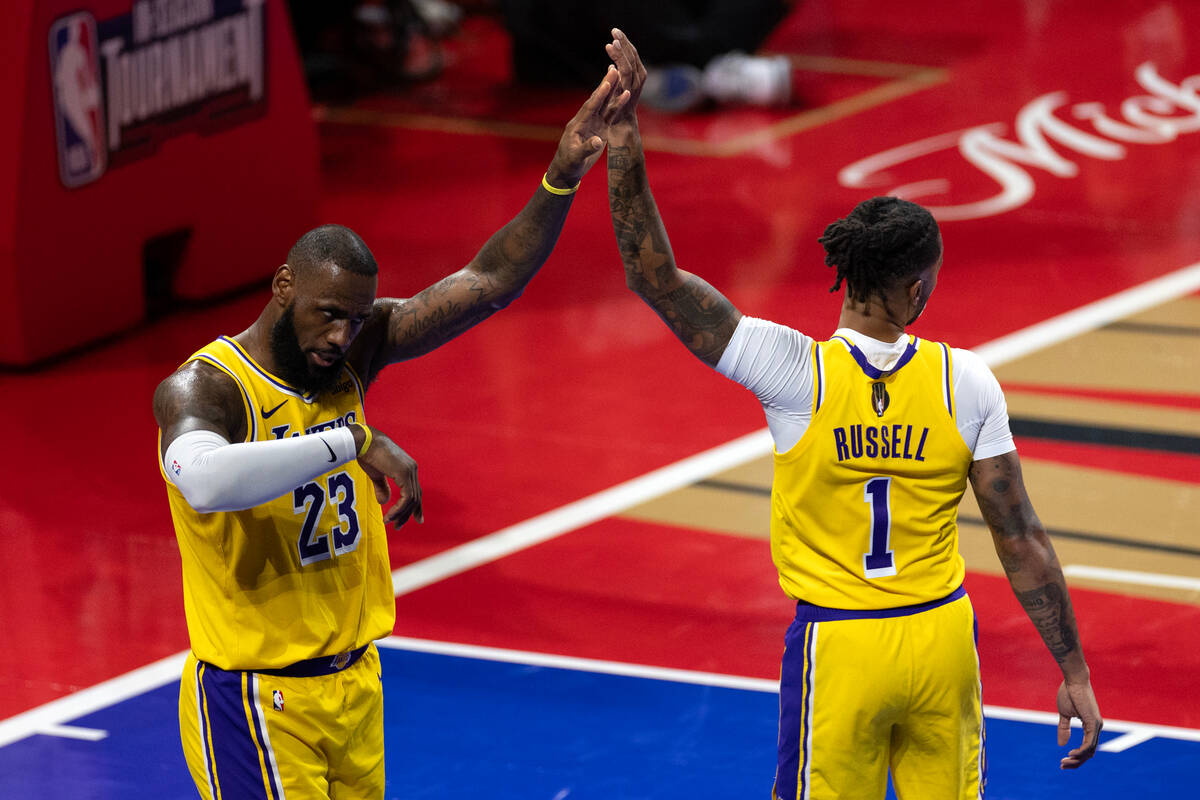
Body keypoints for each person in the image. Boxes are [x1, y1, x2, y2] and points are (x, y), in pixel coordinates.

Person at [602, 28, 1102, 800]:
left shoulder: (793, 372)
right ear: (914, 291)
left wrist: (626, 133)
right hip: (940, 641)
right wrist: (1072, 670)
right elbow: (1021, 536)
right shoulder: (964, 381)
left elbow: (653, 274)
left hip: (840, 648)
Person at [153, 69, 629, 799]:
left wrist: (561, 175)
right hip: (258, 699)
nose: (340, 335)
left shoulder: (356, 347)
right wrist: (353, 441)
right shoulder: (205, 387)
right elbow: (206, 482)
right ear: (284, 286)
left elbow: (489, 280)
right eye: (326, 314)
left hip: (353, 687)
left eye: (354, 317)